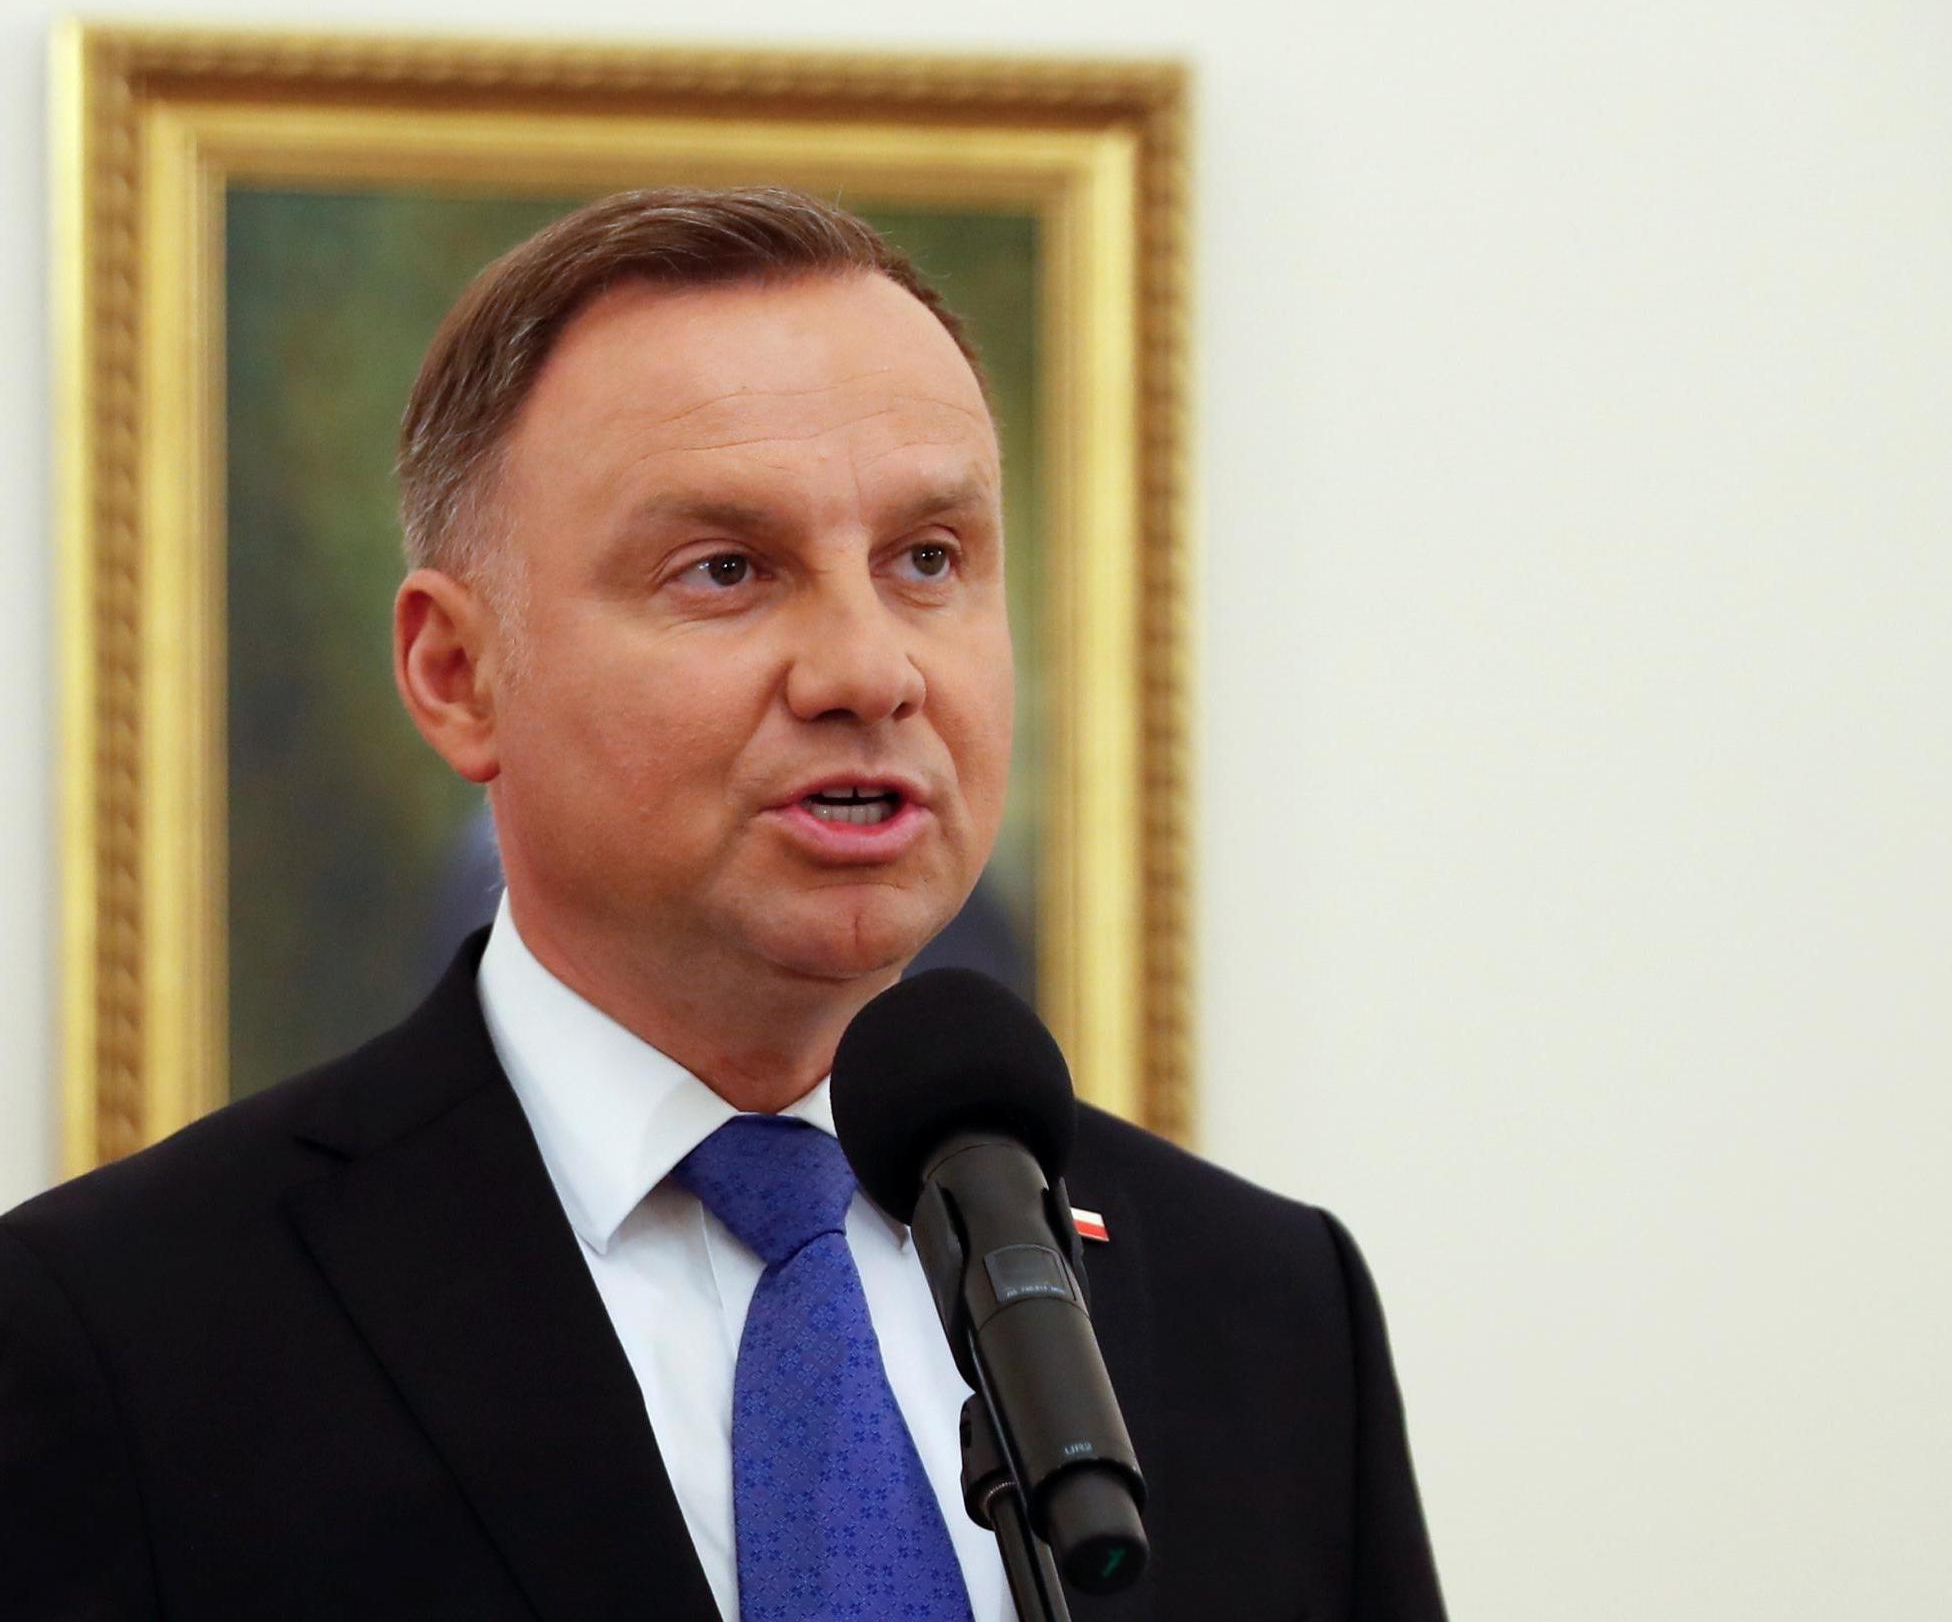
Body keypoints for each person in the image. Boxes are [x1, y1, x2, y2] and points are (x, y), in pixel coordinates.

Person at [0, 189, 1444, 1621]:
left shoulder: (1267, 1308)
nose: (867, 671)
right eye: (727, 570)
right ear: (455, 673)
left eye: (926, 559)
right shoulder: (110, 1335)